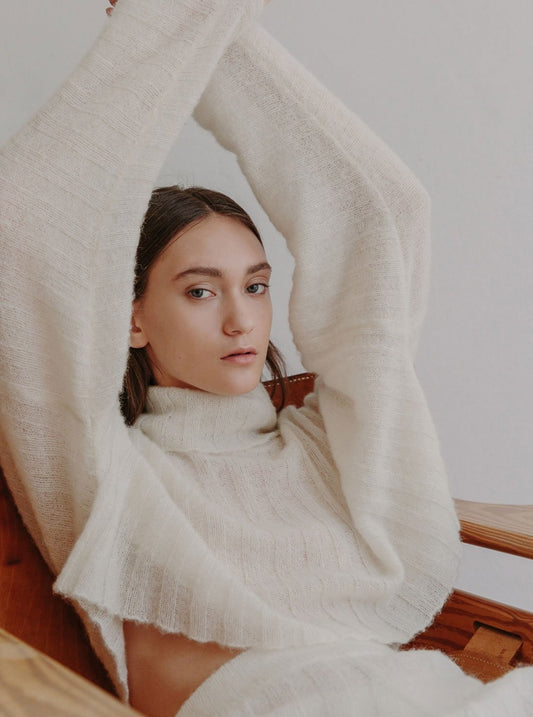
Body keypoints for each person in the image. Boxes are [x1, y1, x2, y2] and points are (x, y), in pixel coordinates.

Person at [0, 1, 532, 715]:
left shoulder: (324, 446)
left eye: (255, 285)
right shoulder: (104, 467)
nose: (241, 318)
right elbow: (23, 224)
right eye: (199, 291)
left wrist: (210, 22)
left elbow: (383, 214)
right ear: (130, 317)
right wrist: (165, 24)